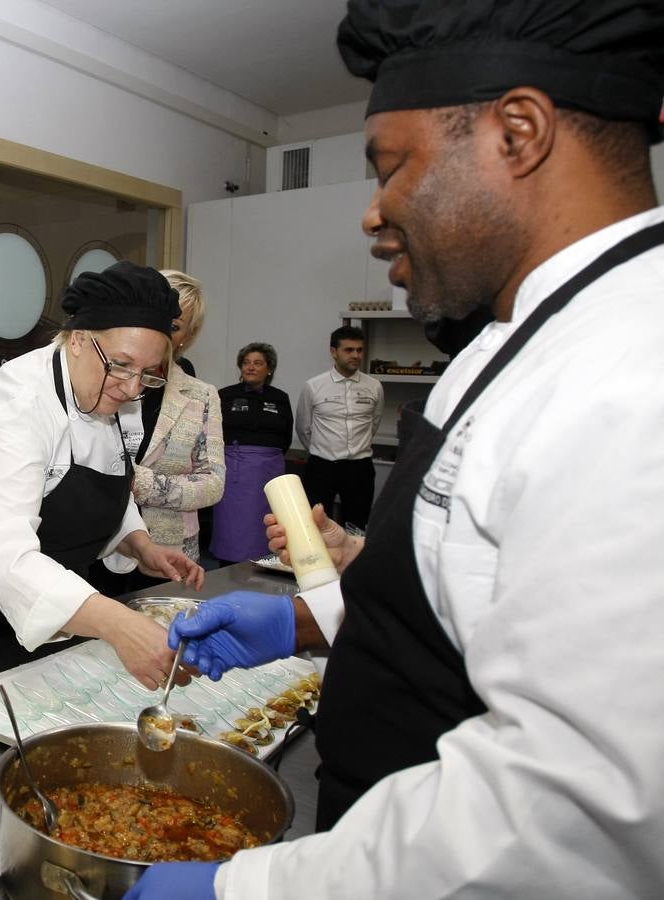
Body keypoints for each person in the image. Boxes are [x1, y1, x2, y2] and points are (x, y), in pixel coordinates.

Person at [127, 0, 664, 896]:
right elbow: (480, 588)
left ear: (519, 132)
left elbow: (572, 811)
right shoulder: (515, 341)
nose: (375, 213)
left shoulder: (632, 375)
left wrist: (246, 892)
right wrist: (314, 621)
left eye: (393, 167)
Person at [0, 262, 205, 689]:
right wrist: (118, 623)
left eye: (148, 373)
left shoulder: (117, 393)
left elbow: (114, 475)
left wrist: (139, 544)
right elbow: (3, 551)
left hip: (57, 592)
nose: (133, 388)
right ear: (78, 340)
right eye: (121, 366)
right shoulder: (16, 403)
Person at [96, 270, 224, 593]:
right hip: (98, 543)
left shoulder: (201, 395)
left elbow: (214, 484)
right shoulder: (100, 381)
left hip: (168, 552)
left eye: (174, 325)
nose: (161, 332)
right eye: (154, 318)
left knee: (162, 636)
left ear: (187, 336)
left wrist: (138, 482)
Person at [208, 342, 293, 565]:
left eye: (257, 363)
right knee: (232, 526)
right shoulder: (224, 395)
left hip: (269, 471)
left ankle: (267, 564)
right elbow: (213, 432)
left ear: (269, 368)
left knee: (265, 524)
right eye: (246, 363)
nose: (251, 367)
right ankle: (226, 568)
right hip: (233, 470)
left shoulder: (280, 398)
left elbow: (286, 436)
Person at [295, 324, 383, 528]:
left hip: (359, 466)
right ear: (333, 352)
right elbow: (304, 427)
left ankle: (353, 561)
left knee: (357, 525)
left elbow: (373, 423)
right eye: (349, 350)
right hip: (322, 466)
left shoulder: (374, 386)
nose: (355, 355)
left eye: (359, 350)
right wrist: (321, 450)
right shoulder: (314, 386)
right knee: (316, 524)